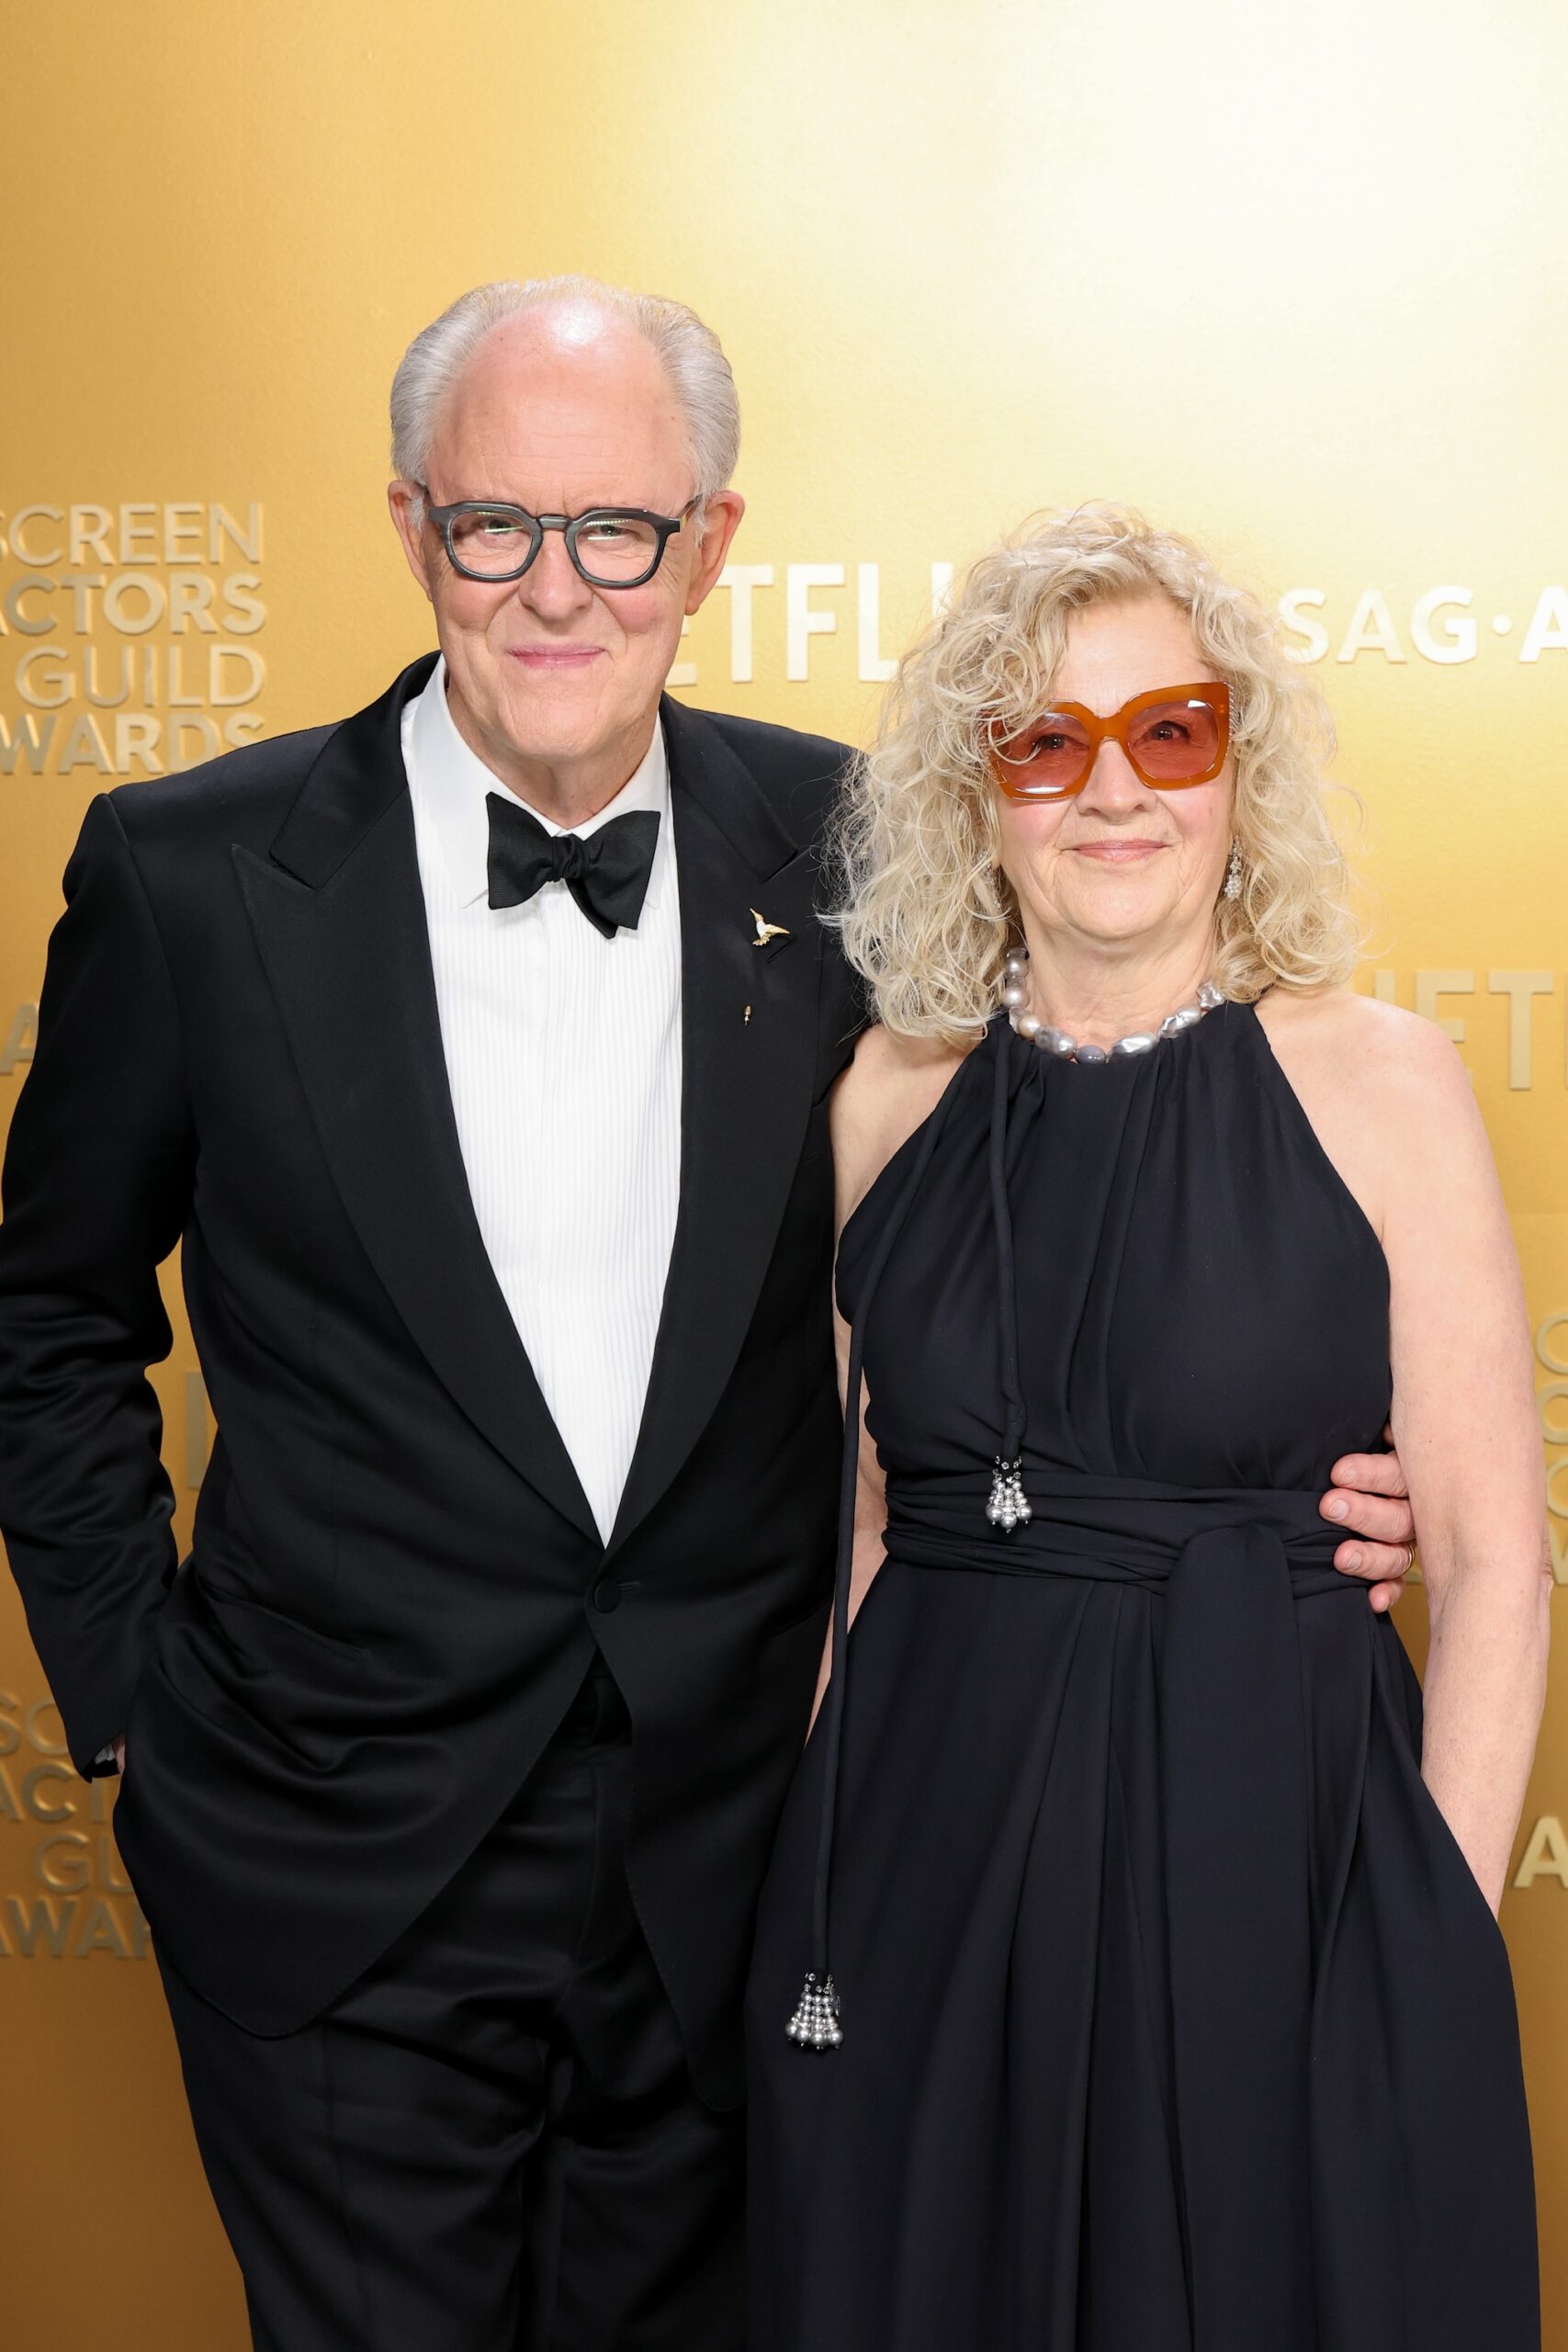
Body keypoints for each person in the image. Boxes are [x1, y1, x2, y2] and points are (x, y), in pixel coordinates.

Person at [0, 277, 1416, 2351]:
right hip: (326, 1858)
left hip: (754, 1859)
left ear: (709, 544)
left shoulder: (868, 844)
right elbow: (45, 1312)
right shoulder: (187, 874)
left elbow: (1080, 1148)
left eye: (617, 531)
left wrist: (1283, 1496)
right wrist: (139, 1718)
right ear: (412, 529)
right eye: (496, 524)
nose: (556, 587)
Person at [745, 504, 1546, 2352]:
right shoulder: (884, 1091)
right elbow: (861, 1529)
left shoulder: (1377, 1079)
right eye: (1045, 739)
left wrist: (1419, 1927)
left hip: (1265, 1850)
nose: (1111, 789)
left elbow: (1497, 1557)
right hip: (916, 1866)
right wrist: (820, 1857)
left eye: (1166, 730)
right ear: (981, 791)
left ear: (1233, 770)